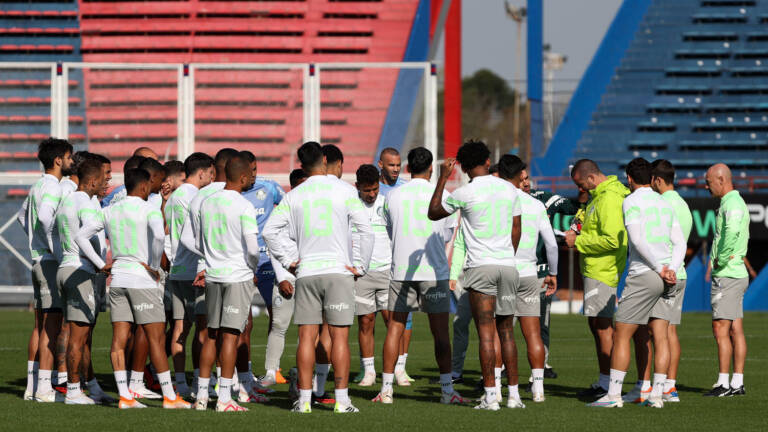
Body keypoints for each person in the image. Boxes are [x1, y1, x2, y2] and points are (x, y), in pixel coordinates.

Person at [263, 141, 374, 414]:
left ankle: (302, 402)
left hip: (308, 272)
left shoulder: (294, 195)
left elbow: (269, 232)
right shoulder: (346, 190)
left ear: (302, 165)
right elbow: (366, 231)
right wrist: (361, 266)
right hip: (338, 271)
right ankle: (342, 401)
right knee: (339, 338)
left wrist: (290, 260)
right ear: (325, 159)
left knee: (306, 336)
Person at [76, 168, 191, 410]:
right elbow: (159, 237)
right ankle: (171, 397)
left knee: (119, 339)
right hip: (142, 280)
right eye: (150, 183)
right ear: (142, 186)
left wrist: (100, 265)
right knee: (156, 339)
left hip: (117, 280)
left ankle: (125, 396)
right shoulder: (149, 209)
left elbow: (80, 236)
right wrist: (153, 266)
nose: (152, 187)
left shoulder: (110, 210)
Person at [427, 140, 523, 411]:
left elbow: (434, 212)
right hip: (507, 263)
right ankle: (513, 396)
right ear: (487, 160)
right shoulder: (509, 188)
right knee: (506, 332)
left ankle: (491, 397)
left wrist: (443, 179)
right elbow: (517, 229)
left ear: (466, 167)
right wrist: (507, 255)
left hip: (481, 266)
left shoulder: (464, 192)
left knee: (485, 334)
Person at [371, 147, 466, 405]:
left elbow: (390, 231)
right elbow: (447, 235)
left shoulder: (392, 196)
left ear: (407, 168)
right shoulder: (443, 195)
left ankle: (387, 390)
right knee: (440, 333)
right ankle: (447, 391)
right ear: (431, 169)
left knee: (394, 329)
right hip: (433, 271)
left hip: (401, 270)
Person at [588, 158, 685, 409]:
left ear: (629, 179)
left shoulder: (630, 200)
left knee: (621, 332)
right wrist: (671, 269)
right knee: (661, 335)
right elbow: (681, 242)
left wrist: (659, 268)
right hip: (668, 275)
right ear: (652, 179)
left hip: (646, 272)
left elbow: (637, 239)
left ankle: (613, 395)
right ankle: (656, 396)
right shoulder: (664, 202)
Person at [193, 154, 262, 412]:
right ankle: (223, 398)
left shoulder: (207, 202)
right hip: (236, 276)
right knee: (231, 337)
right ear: (242, 177)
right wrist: (250, 267)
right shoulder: (243, 205)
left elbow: (199, 242)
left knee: (211, 336)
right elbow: (253, 249)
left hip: (213, 275)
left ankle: (201, 396)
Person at [497, 155, 558, 402]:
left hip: (506, 271)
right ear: (520, 176)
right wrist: (553, 273)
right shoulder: (535, 204)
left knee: (501, 333)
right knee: (533, 333)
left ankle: (495, 389)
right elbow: (552, 244)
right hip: (530, 273)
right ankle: (539, 390)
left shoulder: (498, 202)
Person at [566, 159, 629, 398]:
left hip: (603, 269)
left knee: (603, 327)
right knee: (596, 324)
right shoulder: (599, 195)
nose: (581, 190)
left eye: (582, 185)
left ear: (591, 178)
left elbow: (613, 240)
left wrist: (578, 241)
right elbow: (589, 222)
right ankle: (605, 381)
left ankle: (610, 386)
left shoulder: (610, 198)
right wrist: (577, 227)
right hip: (595, 267)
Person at [180, 147, 238, 398]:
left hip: (207, 271)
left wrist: (206, 253)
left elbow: (185, 237)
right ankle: (229, 385)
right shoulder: (235, 196)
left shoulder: (200, 197)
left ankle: (201, 386)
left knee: (207, 332)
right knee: (232, 332)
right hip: (234, 272)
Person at [18, 138, 73, 402]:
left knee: (40, 325)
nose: (72, 162)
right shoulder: (53, 185)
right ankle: (43, 389)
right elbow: (45, 218)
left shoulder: (37, 184)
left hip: (37, 260)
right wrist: (56, 248)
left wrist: (36, 242)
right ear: (59, 160)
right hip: (49, 262)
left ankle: (32, 386)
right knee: (52, 326)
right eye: (69, 157)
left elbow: (22, 217)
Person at [54, 159, 106, 404]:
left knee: (77, 333)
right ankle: (74, 390)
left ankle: (86, 388)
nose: (105, 184)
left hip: (64, 267)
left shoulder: (66, 200)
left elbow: (56, 232)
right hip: (79, 270)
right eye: (103, 180)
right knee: (79, 336)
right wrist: (100, 263)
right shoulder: (84, 201)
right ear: (92, 181)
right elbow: (82, 235)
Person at [164, 152, 214, 398]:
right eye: (211, 173)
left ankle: (182, 382)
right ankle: (200, 381)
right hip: (195, 269)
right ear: (202, 172)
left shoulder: (174, 197)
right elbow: (192, 236)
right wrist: (211, 255)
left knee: (180, 327)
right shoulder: (195, 196)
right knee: (203, 330)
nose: (212, 179)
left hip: (176, 270)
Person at [239, 151, 287, 388]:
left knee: (276, 314)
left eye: (256, 169)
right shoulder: (232, 194)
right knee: (243, 320)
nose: (255, 175)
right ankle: (244, 371)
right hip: (243, 261)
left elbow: (289, 209)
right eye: (251, 171)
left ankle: (273, 368)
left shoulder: (269, 188)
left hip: (268, 261)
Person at [703, 163, 750, 397]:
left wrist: (719, 260)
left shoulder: (731, 203)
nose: (706, 186)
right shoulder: (734, 202)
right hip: (736, 272)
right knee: (735, 329)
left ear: (721, 180)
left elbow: (730, 231)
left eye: (709, 182)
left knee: (720, 327)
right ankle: (737, 382)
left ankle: (723, 384)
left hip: (728, 274)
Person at [649, 160, 692, 402]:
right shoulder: (683, 204)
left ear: (656, 180)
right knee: (670, 331)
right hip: (681, 272)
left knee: (657, 333)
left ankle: (656, 385)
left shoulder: (661, 204)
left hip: (665, 273)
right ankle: (670, 386)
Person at [264, 169, 307, 392]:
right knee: (279, 325)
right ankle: (271, 371)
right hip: (286, 277)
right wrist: (281, 278)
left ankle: (301, 372)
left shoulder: (312, 209)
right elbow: (272, 244)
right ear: (292, 186)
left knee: (307, 329)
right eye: (300, 184)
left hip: (309, 277)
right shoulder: (283, 210)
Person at [351, 165, 392, 387]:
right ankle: (368, 372)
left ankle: (397, 370)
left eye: (375, 189)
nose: (372, 194)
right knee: (366, 322)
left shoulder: (387, 203)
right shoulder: (350, 205)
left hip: (386, 270)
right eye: (367, 190)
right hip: (361, 274)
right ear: (357, 187)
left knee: (392, 322)